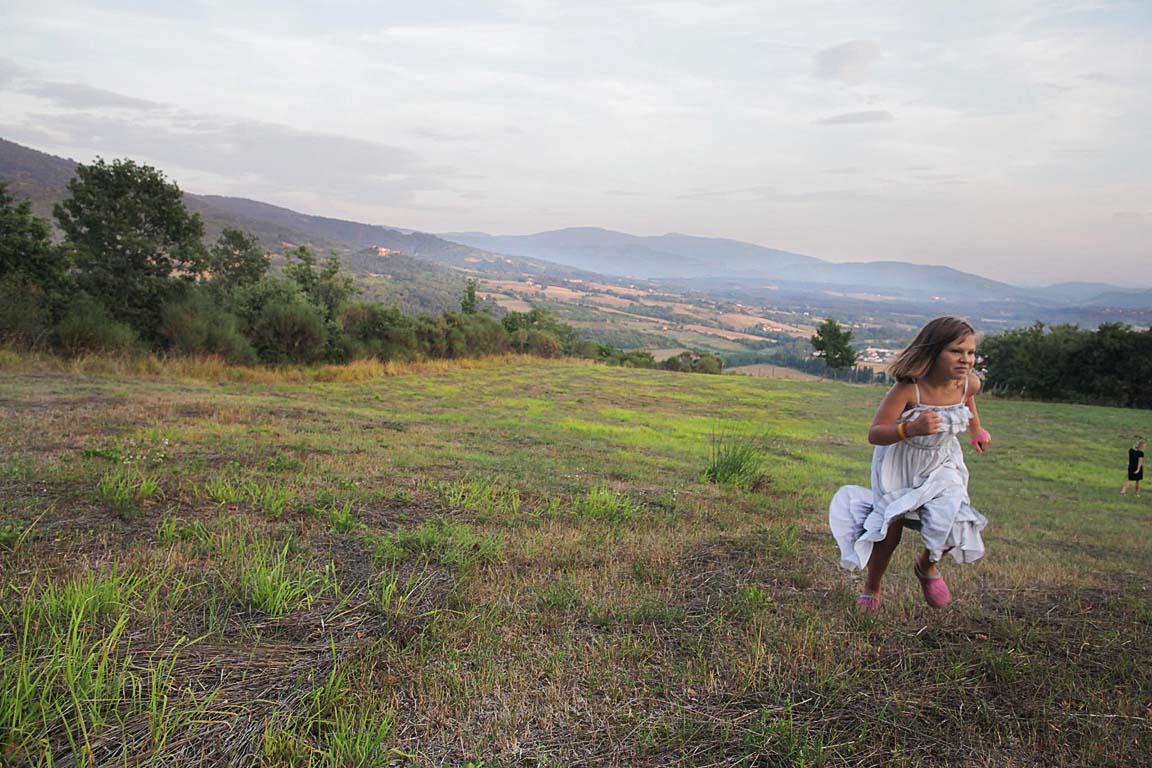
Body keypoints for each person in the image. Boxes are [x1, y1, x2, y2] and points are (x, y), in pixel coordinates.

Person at [829, 316, 991, 613]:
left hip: (943, 462)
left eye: (970, 352)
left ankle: (926, 565)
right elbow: (875, 433)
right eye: (956, 351)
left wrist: (976, 431)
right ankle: (872, 586)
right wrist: (910, 429)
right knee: (890, 531)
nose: (966, 359)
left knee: (954, 517)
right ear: (933, 351)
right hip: (901, 464)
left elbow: (968, 403)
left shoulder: (969, 384)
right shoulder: (908, 389)